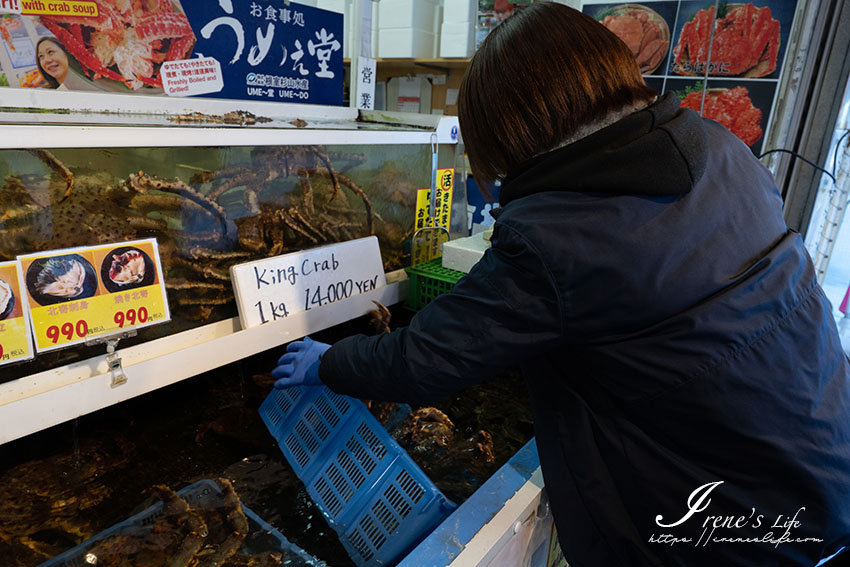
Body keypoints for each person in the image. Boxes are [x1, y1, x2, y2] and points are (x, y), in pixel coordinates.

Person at [272, 3, 850, 566]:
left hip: (726, 521)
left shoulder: (558, 233)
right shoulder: (722, 148)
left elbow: (426, 361)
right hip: (824, 452)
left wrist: (329, 362)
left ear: (509, 126)